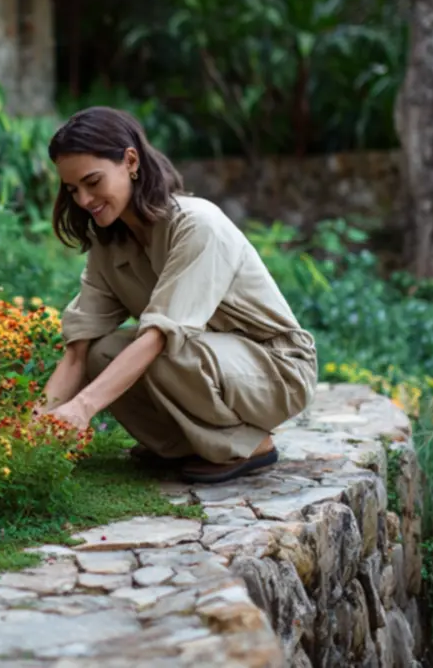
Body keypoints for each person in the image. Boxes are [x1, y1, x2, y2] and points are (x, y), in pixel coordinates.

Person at [35, 107, 317, 484]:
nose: (83, 199)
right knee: (101, 352)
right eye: (73, 189)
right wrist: (31, 430)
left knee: (163, 349)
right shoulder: (109, 245)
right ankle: (185, 446)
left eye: (92, 182)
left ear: (130, 161)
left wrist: (82, 408)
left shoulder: (197, 225)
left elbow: (159, 336)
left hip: (277, 368)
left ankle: (247, 445)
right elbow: (77, 353)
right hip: (208, 358)